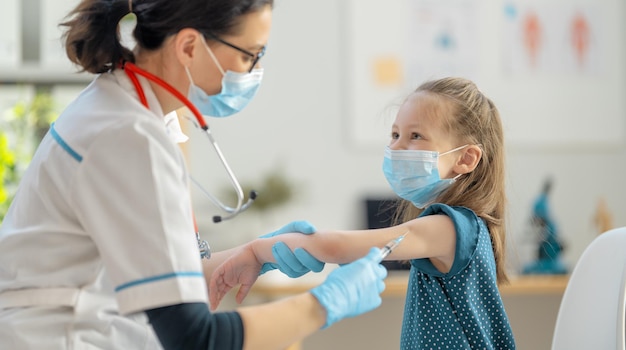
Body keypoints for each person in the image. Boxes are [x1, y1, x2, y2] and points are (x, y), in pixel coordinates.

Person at [0, 0, 389, 349]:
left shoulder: (122, 110)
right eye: (250, 55)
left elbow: (147, 276)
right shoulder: (130, 135)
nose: (254, 71)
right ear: (189, 46)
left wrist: (245, 255)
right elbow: (195, 336)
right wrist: (323, 305)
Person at [209, 77, 517, 349]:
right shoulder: (462, 227)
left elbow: (336, 246)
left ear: (466, 158)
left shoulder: (450, 228)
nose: (396, 147)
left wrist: (258, 250)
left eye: (415, 136)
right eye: (395, 135)